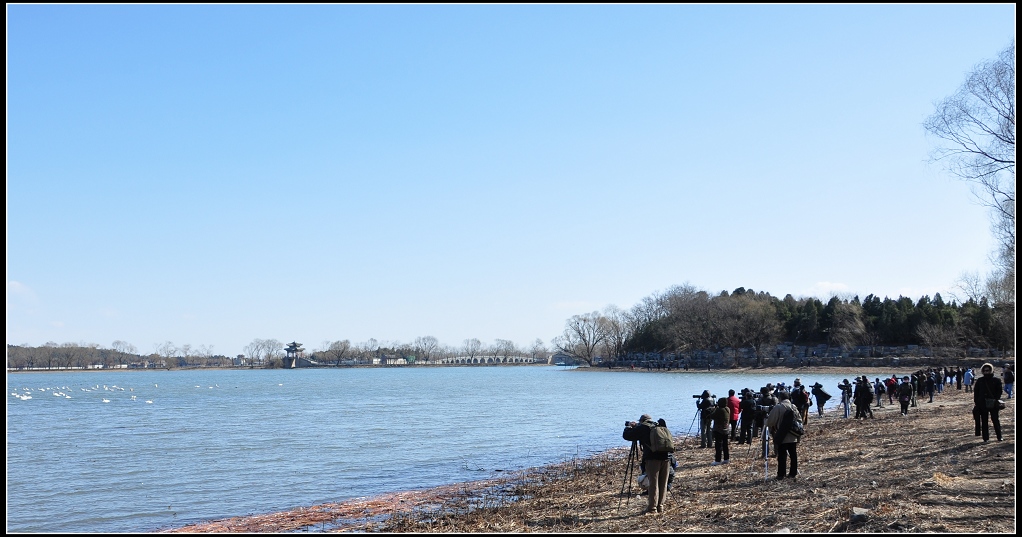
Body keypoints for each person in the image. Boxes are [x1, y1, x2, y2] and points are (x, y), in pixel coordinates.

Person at [623, 414, 670, 514]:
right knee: (663, 483)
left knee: (653, 483)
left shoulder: (643, 427)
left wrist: (629, 427)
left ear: (642, 421)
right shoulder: (658, 425)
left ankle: (652, 508)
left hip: (652, 459)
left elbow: (627, 436)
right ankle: (660, 506)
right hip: (666, 457)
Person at [766, 390, 802, 480]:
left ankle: (781, 474)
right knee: (793, 455)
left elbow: (770, 422)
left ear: (780, 398)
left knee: (782, 456)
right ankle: (793, 473)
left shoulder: (778, 407)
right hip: (793, 434)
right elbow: (800, 420)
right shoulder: (793, 407)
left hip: (782, 435)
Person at [972, 363, 1003, 442]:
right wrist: (977, 402)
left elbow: (999, 391)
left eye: (988, 370)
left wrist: (996, 399)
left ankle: (999, 436)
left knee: (995, 420)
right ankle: (985, 438)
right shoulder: (980, 380)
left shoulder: (996, 380)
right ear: (982, 371)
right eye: (985, 370)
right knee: (984, 421)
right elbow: (976, 392)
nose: (986, 372)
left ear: (991, 370)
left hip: (993, 403)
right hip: (982, 403)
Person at [710, 397, 731, 466]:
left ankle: (718, 460)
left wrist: (713, 409)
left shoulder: (719, 410)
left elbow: (712, 416)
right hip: (726, 429)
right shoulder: (727, 409)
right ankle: (726, 458)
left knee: (718, 445)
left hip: (719, 430)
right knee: (725, 445)